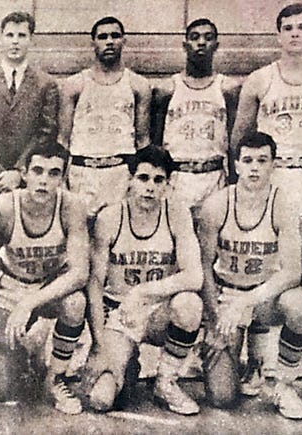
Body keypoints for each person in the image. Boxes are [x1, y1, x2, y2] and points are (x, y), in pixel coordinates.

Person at [229, 2, 302, 394]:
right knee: (262, 268)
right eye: (288, 28)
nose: (295, 33)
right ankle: (256, 362)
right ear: (278, 35)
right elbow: (241, 137)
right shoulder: (261, 80)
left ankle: (301, 363)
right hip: (272, 179)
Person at [198, 132, 302, 419]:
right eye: (247, 160)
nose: (255, 168)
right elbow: (204, 270)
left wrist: (247, 302)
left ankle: (285, 385)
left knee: (298, 304)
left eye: (262, 160)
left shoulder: (283, 203)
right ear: (236, 165)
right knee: (222, 397)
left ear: (274, 164)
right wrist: (214, 321)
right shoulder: (216, 205)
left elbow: (292, 273)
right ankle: (247, 361)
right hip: (227, 298)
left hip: (262, 299)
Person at [85, 146, 204, 415]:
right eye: (143, 178)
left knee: (189, 304)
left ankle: (165, 382)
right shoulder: (110, 217)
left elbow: (194, 276)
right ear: (130, 180)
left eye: (158, 180)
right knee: (100, 400)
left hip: (159, 312)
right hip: (120, 313)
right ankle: (127, 364)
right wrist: (99, 342)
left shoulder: (176, 213)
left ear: (168, 185)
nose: (150, 187)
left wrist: (142, 292)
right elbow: (94, 284)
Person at [0, 143, 88, 414]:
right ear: (24, 173)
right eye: (38, 171)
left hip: (47, 290)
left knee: (76, 302)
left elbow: (79, 273)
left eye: (54, 173)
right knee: (1, 389)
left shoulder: (72, 206)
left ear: (63, 177)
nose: (44, 180)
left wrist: (30, 304)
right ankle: (25, 354)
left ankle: (55, 377)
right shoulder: (4, 206)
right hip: (10, 288)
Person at [59, 16, 151, 216]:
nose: (109, 41)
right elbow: (63, 141)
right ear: (93, 42)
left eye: (115, 36)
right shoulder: (75, 84)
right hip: (82, 171)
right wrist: (61, 181)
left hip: (120, 172)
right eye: (103, 37)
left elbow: (143, 141)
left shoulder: (138, 84)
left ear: (123, 41)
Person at [0, 11, 59, 199]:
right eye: (10, 35)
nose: (15, 41)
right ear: (0, 39)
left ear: (31, 40)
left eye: (22, 35)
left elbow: (46, 132)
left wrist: (18, 172)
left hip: (27, 180)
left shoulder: (46, 84)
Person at [152, 18, 240, 216]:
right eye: (194, 37)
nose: (201, 42)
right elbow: (156, 144)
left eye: (208, 38)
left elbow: (235, 143)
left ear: (216, 45)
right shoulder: (167, 89)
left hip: (214, 177)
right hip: (177, 178)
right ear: (185, 45)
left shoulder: (227, 88)